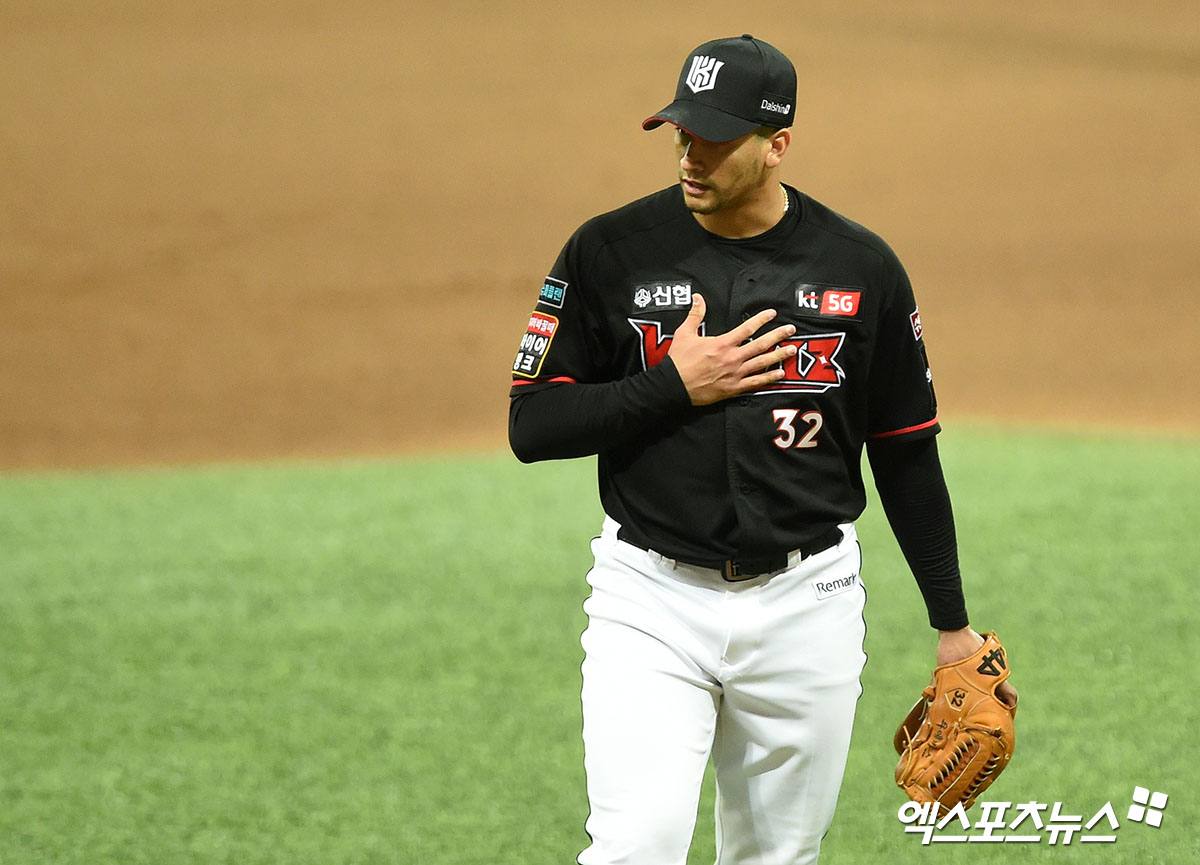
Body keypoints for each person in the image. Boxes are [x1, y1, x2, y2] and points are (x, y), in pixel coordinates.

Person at [508, 34, 1017, 865]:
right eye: (681, 132)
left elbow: (906, 451)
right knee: (635, 846)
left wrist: (952, 623)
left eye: (714, 137)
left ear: (777, 144)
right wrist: (671, 384)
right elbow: (531, 426)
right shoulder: (608, 252)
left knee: (776, 858)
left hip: (808, 601)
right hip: (650, 599)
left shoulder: (862, 267)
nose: (690, 154)